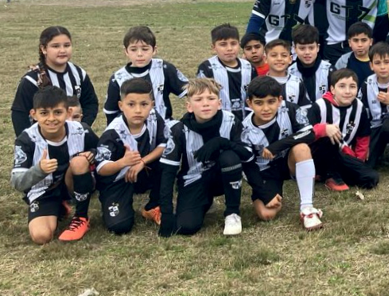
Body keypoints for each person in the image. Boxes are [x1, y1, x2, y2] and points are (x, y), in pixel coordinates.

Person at [158, 78, 249, 237]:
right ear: (189, 106)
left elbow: (247, 154)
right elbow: (168, 173)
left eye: (211, 98)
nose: (205, 103)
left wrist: (221, 142)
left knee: (230, 157)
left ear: (219, 103)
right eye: (198, 99)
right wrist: (166, 214)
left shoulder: (230, 120)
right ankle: (204, 201)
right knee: (186, 227)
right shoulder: (179, 130)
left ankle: (232, 213)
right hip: (194, 178)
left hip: (223, 175)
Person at [11, 86, 99, 244]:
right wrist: (39, 170)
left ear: (68, 112)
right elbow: (17, 182)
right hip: (44, 191)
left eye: (58, 112)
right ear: (34, 114)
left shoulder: (81, 130)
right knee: (41, 237)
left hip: (72, 183)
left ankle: (81, 217)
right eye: (44, 113)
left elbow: (101, 150)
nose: (51, 118)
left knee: (79, 161)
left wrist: (91, 154)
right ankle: (58, 208)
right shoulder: (26, 140)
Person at [240, 77, 324, 230]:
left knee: (302, 148)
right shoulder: (244, 130)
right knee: (266, 214)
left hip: (288, 161)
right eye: (259, 103)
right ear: (249, 103)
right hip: (266, 171)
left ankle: (307, 208)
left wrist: (276, 147)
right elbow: (247, 167)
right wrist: (264, 193)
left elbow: (310, 134)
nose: (266, 108)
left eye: (271, 102)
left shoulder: (290, 109)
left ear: (279, 100)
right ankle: (272, 192)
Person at [95, 79, 168, 234]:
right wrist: (122, 162)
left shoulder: (154, 118)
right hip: (118, 179)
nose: (138, 110)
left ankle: (153, 206)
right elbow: (101, 169)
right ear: (121, 106)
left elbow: (165, 144)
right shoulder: (112, 133)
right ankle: (113, 202)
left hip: (142, 171)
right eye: (131, 104)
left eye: (144, 104)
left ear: (152, 105)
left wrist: (142, 162)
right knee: (119, 226)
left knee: (168, 160)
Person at [11, 26, 99, 136]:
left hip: (74, 137)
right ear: (43, 49)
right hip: (43, 139)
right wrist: (28, 141)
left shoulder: (79, 74)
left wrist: (81, 127)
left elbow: (90, 103)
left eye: (67, 45)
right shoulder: (32, 80)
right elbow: (20, 114)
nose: (62, 50)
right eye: (55, 46)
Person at [307, 69, 381, 191]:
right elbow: (306, 134)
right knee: (329, 137)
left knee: (371, 178)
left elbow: (363, 138)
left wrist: (357, 161)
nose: (347, 91)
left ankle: (329, 174)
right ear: (332, 89)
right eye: (342, 86)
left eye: (352, 87)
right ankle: (328, 175)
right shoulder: (320, 106)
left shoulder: (359, 107)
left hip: (343, 154)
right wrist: (324, 128)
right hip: (318, 154)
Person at [104, 25, 189, 124]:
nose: (139, 54)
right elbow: (111, 113)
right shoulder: (117, 78)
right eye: (133, 49)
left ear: (154, 50)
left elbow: (191, 92)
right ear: (126, 51)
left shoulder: (164, 68)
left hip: (165, 126)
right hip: (132, 131)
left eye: (145, 49)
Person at [195, 24, 256, 116]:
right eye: (223, 44)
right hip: (218, 120)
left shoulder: (248, 67)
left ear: (239, 45)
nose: (229, 48)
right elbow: (200, 96)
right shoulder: (207, 68)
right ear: (213, 47)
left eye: (233, 43)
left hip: (246, 120)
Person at [287, 24, 332, 105]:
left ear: (318, 47)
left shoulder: (329, 71)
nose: (307, 52)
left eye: (311, 48)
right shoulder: (289, 72)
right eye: (302, 48)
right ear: (294, 48)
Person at [263, 39, 309, 107]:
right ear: (265, 59)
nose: (279, 59)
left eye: (284, 55)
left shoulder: (297, 82)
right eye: (274, 55)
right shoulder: (260, 84)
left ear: (290, 59)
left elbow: (305, 109)